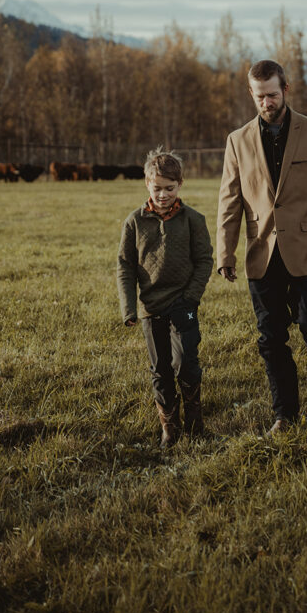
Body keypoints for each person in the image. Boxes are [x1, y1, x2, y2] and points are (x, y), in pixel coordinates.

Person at [216, 60, 307, 434]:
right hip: (262, 251)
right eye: (259, 96)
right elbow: (229, 203)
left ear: (285, 90)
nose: (266, 102)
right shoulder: (236, 141)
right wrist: (224, 254)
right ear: (251, 94)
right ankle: (284, 414)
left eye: (272, 95)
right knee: (271, 336)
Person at [117, 147, 214, 447]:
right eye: (157, 188)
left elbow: (204, 261)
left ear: (180, 185)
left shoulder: (193, 220)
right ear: (147, 183)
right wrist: (129, 308)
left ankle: (195, 423)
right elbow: (125, 267)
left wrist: (191, 298)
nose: (163, 195)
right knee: (160, 370)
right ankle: (169, 428)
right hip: (150, 309)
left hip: (183, 305)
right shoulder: (134, 222)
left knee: (186, 363)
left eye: (169, 189)